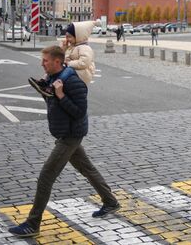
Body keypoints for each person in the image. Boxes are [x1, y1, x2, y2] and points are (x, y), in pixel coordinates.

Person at [8, 46, 120, 238]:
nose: (42, 63)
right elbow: (52, 102)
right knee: (87, 168)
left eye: (45, 60)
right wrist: (45, 89)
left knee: (46, 176)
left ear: (57, 62)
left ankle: (33, 224)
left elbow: (79, 112)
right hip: (65, 133)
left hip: (70, 135)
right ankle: (110, 201)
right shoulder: (53, 78)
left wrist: (60, 95)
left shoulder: (73, 82)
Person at [29, 21, 98, 98]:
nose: (67, 39)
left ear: (78, 36)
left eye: (70, 37)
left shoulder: (85, 48)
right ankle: (44, 82)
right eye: (66, 37)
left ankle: (52, 87)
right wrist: (63, 49)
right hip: (75, 69)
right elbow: (63, 58)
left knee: (66, 69)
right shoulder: (72, 47)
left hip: (84, 72)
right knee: (56, 66)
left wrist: (69, 63)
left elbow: (84, 63)